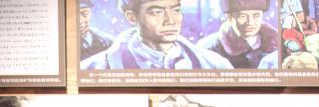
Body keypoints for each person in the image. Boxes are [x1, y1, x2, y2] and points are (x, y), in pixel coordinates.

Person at [81, 0, 233, 70]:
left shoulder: (217, 65)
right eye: (157, 12)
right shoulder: (93, 69)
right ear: (132, 17)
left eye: (176, 11)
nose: (171, 21)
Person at [196, 0, 279, 69]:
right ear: (229, 18)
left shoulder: (277, 46)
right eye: (243, 16)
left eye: (256, 16)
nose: (250, 22)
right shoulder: (209, 48)